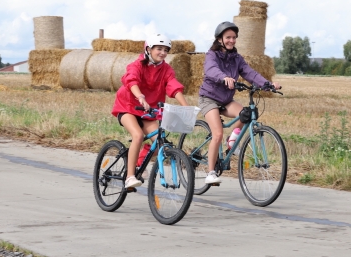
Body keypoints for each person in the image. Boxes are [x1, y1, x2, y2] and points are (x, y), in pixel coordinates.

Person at [198, 21, 280, 184]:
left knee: (247, 114)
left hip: (226, 99)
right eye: (228, 37)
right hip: (209, 98)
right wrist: (223, 77)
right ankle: (211, 172)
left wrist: (268, 84)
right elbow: (211, 69)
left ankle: (232, 141)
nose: (232, 40)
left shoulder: (237, 58)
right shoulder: (211, 55)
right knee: (218, 133)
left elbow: (250, 73)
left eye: (234, 37)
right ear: (219, 39)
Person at [112, 34, 188, 189]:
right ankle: (130, 177)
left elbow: (173, 85)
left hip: (149, 110)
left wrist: (185, 106)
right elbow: (131, 80)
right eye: (159, 49)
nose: (163, 53)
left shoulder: (166, 69)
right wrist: (140, 96)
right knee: (138, 135)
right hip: (128, 106)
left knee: (161, 144)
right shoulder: (137, 65)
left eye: (166, 50)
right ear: (148, 49)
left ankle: (139, 161)